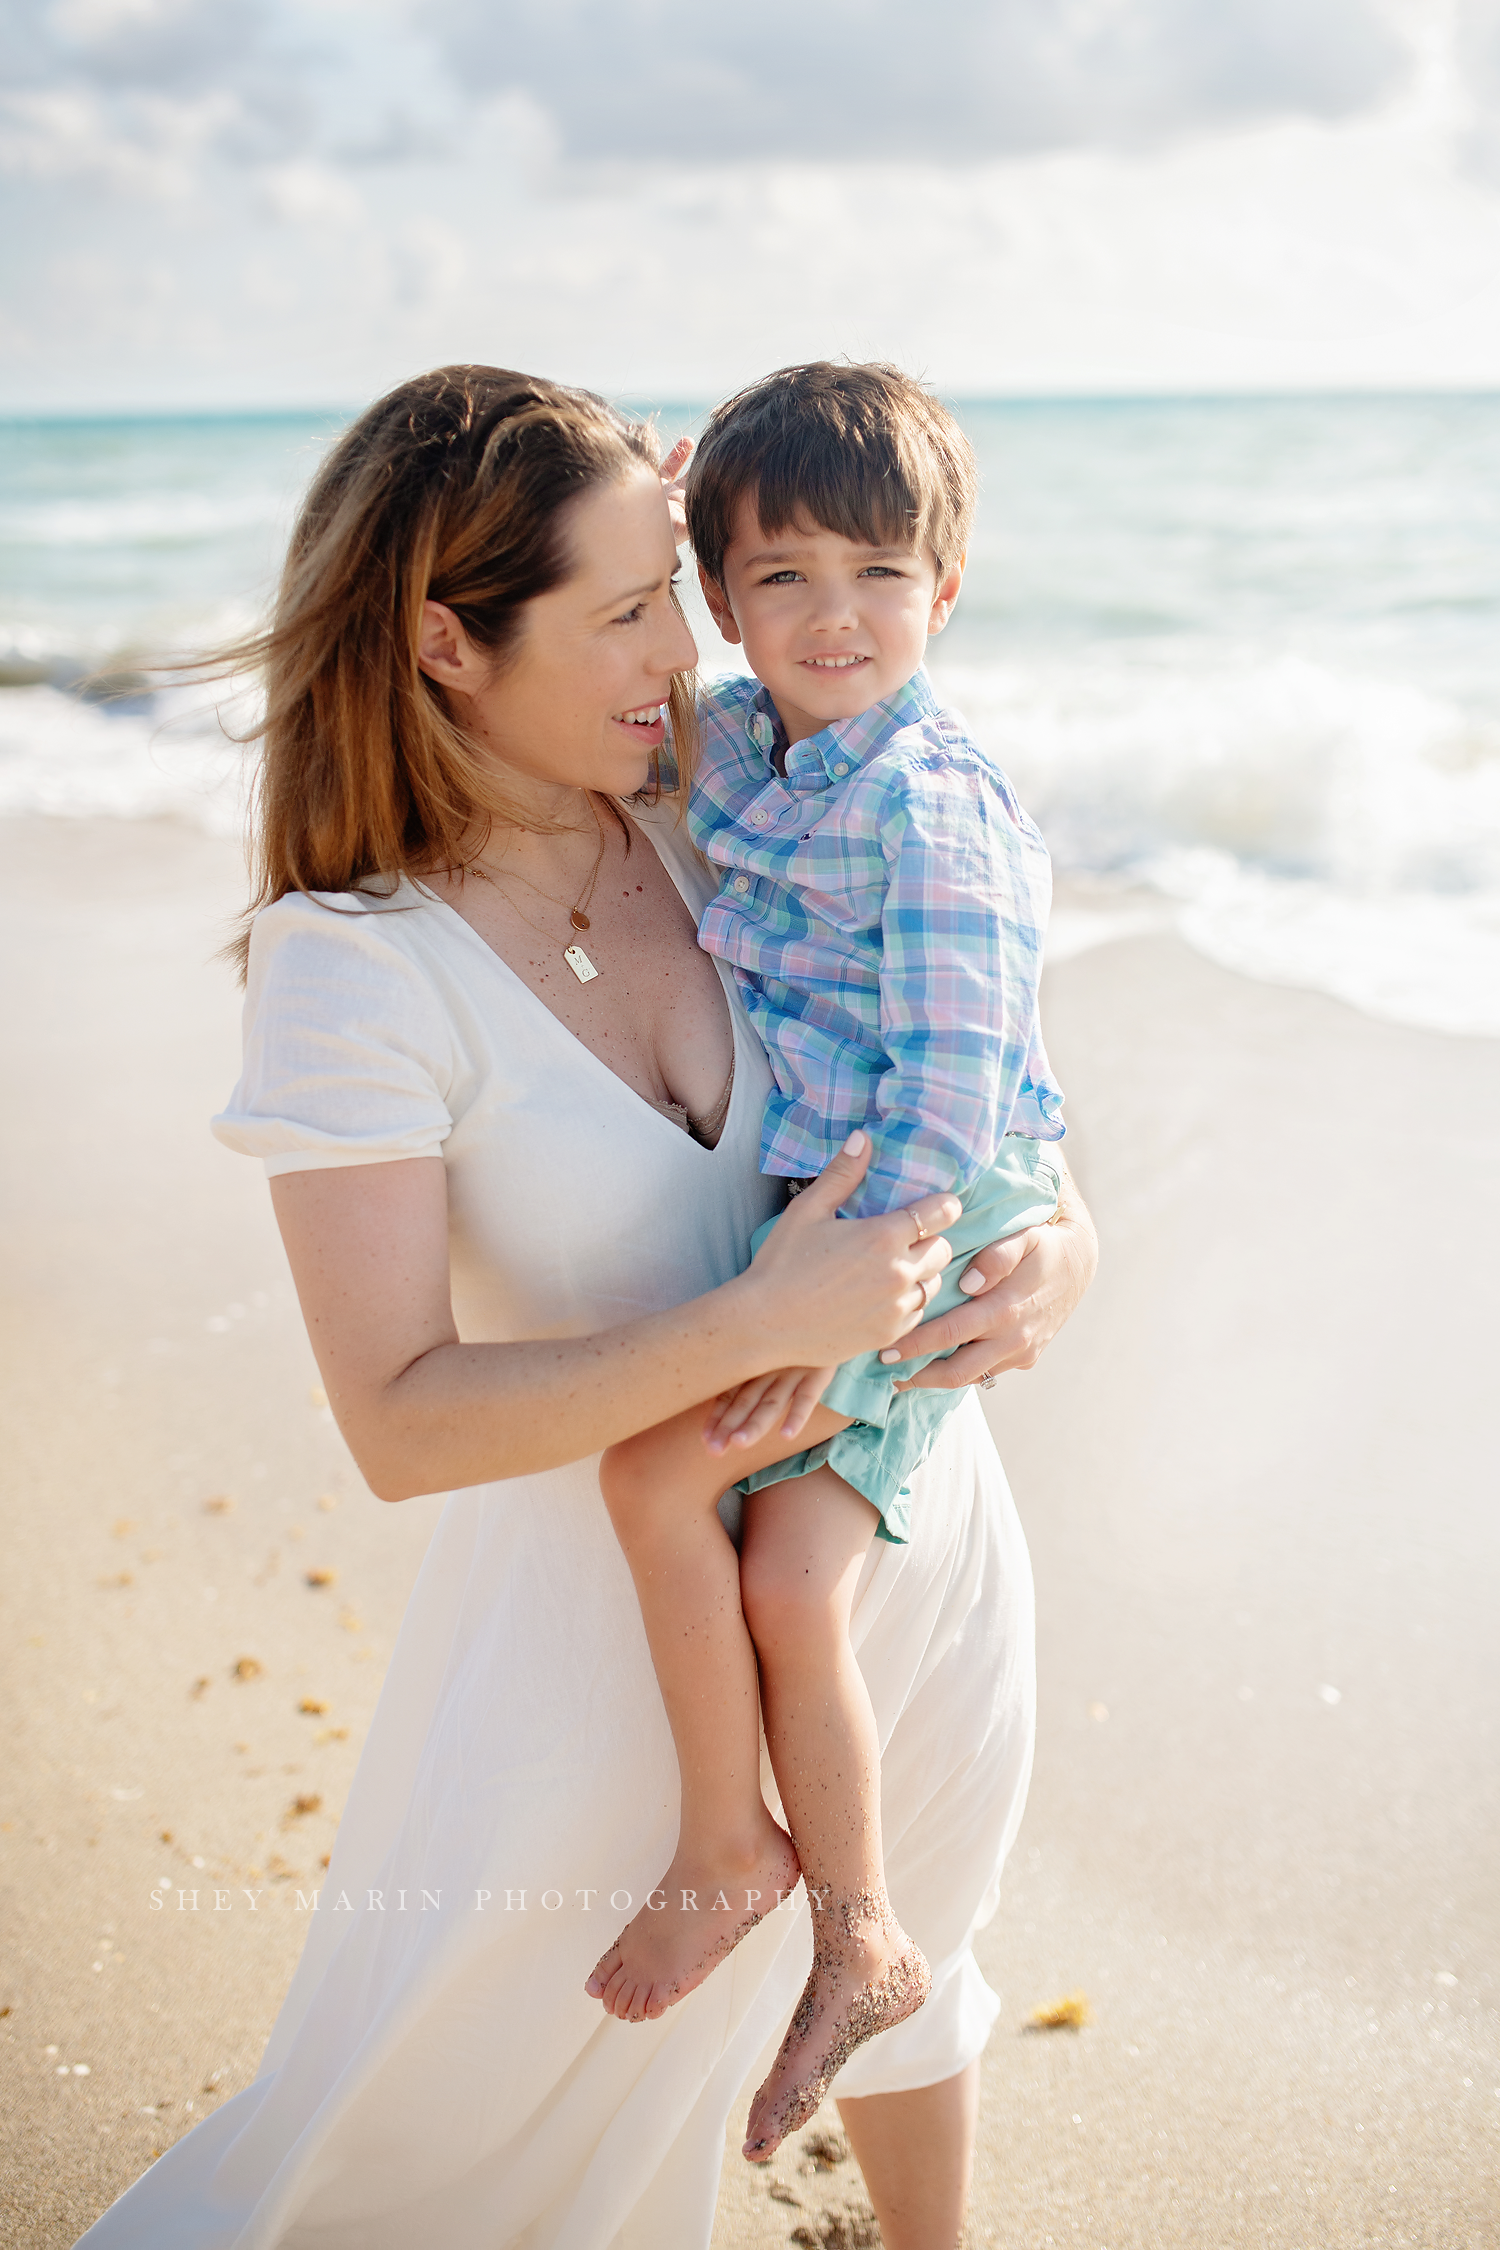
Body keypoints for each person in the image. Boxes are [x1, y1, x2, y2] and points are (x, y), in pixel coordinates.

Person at [74, 363, 1097, 2250]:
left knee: (916, 1970)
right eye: (633, 609)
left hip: (917, 1542)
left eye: (676, 596)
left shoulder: (727, 793)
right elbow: (397, 1419)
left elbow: (968, 1027)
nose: (687, 647)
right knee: (438, 2175)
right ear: (449, 642)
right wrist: (756, 1320)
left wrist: (1064, 1244)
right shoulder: (354, 967)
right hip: (611, 1693)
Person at [589, 363, 1066, 2164]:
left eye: (879, 572)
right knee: (707, 1512)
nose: (834, 616)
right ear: (721, 599)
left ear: (945, 590)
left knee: (790, 1570)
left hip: (900, 1221)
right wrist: (638, 486)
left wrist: (832, 1305)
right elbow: (615, 711)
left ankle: (841, 1921)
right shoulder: (748, 737)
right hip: (833, 1215)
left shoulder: (930, 810)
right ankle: (775, 1870)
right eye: (780, 575)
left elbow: (954, 1100)